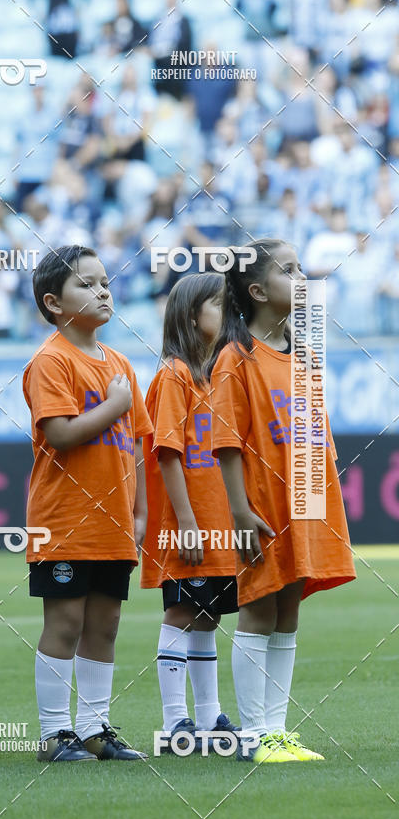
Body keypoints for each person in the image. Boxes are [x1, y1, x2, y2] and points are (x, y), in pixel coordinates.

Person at [208, 238, 356, 762]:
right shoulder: (235, 358)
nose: (301, 279)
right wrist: (239, 511)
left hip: (304, 503)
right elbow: (226, 442)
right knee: (259, 608)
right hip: (263, 505)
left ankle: (277, 730)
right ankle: (253, 736)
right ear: (256, 291)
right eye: (288, 270)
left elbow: (319, 438)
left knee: (289, 611)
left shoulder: (304, 354)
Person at [23, 245, 152, 761]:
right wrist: (115, 404)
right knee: (66, 623)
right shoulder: (51, 360)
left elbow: (136, 444)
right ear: (54, 303)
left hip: (112, 522)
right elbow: (60, 434)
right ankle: (55, 733)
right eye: (87, 283)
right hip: (64, 521)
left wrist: (140, 511)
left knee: (105, 625)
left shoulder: (119, 362)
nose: (102, 291)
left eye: (105, 283)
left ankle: (95, 728)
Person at [141, 274, 239, 752]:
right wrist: (186, 522)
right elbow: (167, 452)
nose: (228, 313)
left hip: (218, 521)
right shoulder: (174, 374)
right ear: (191, 315)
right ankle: (176, 720)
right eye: (219, 305)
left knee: (208, 615)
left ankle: (208, 716)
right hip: (190, 522)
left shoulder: (218, 375)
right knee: (181, 611)